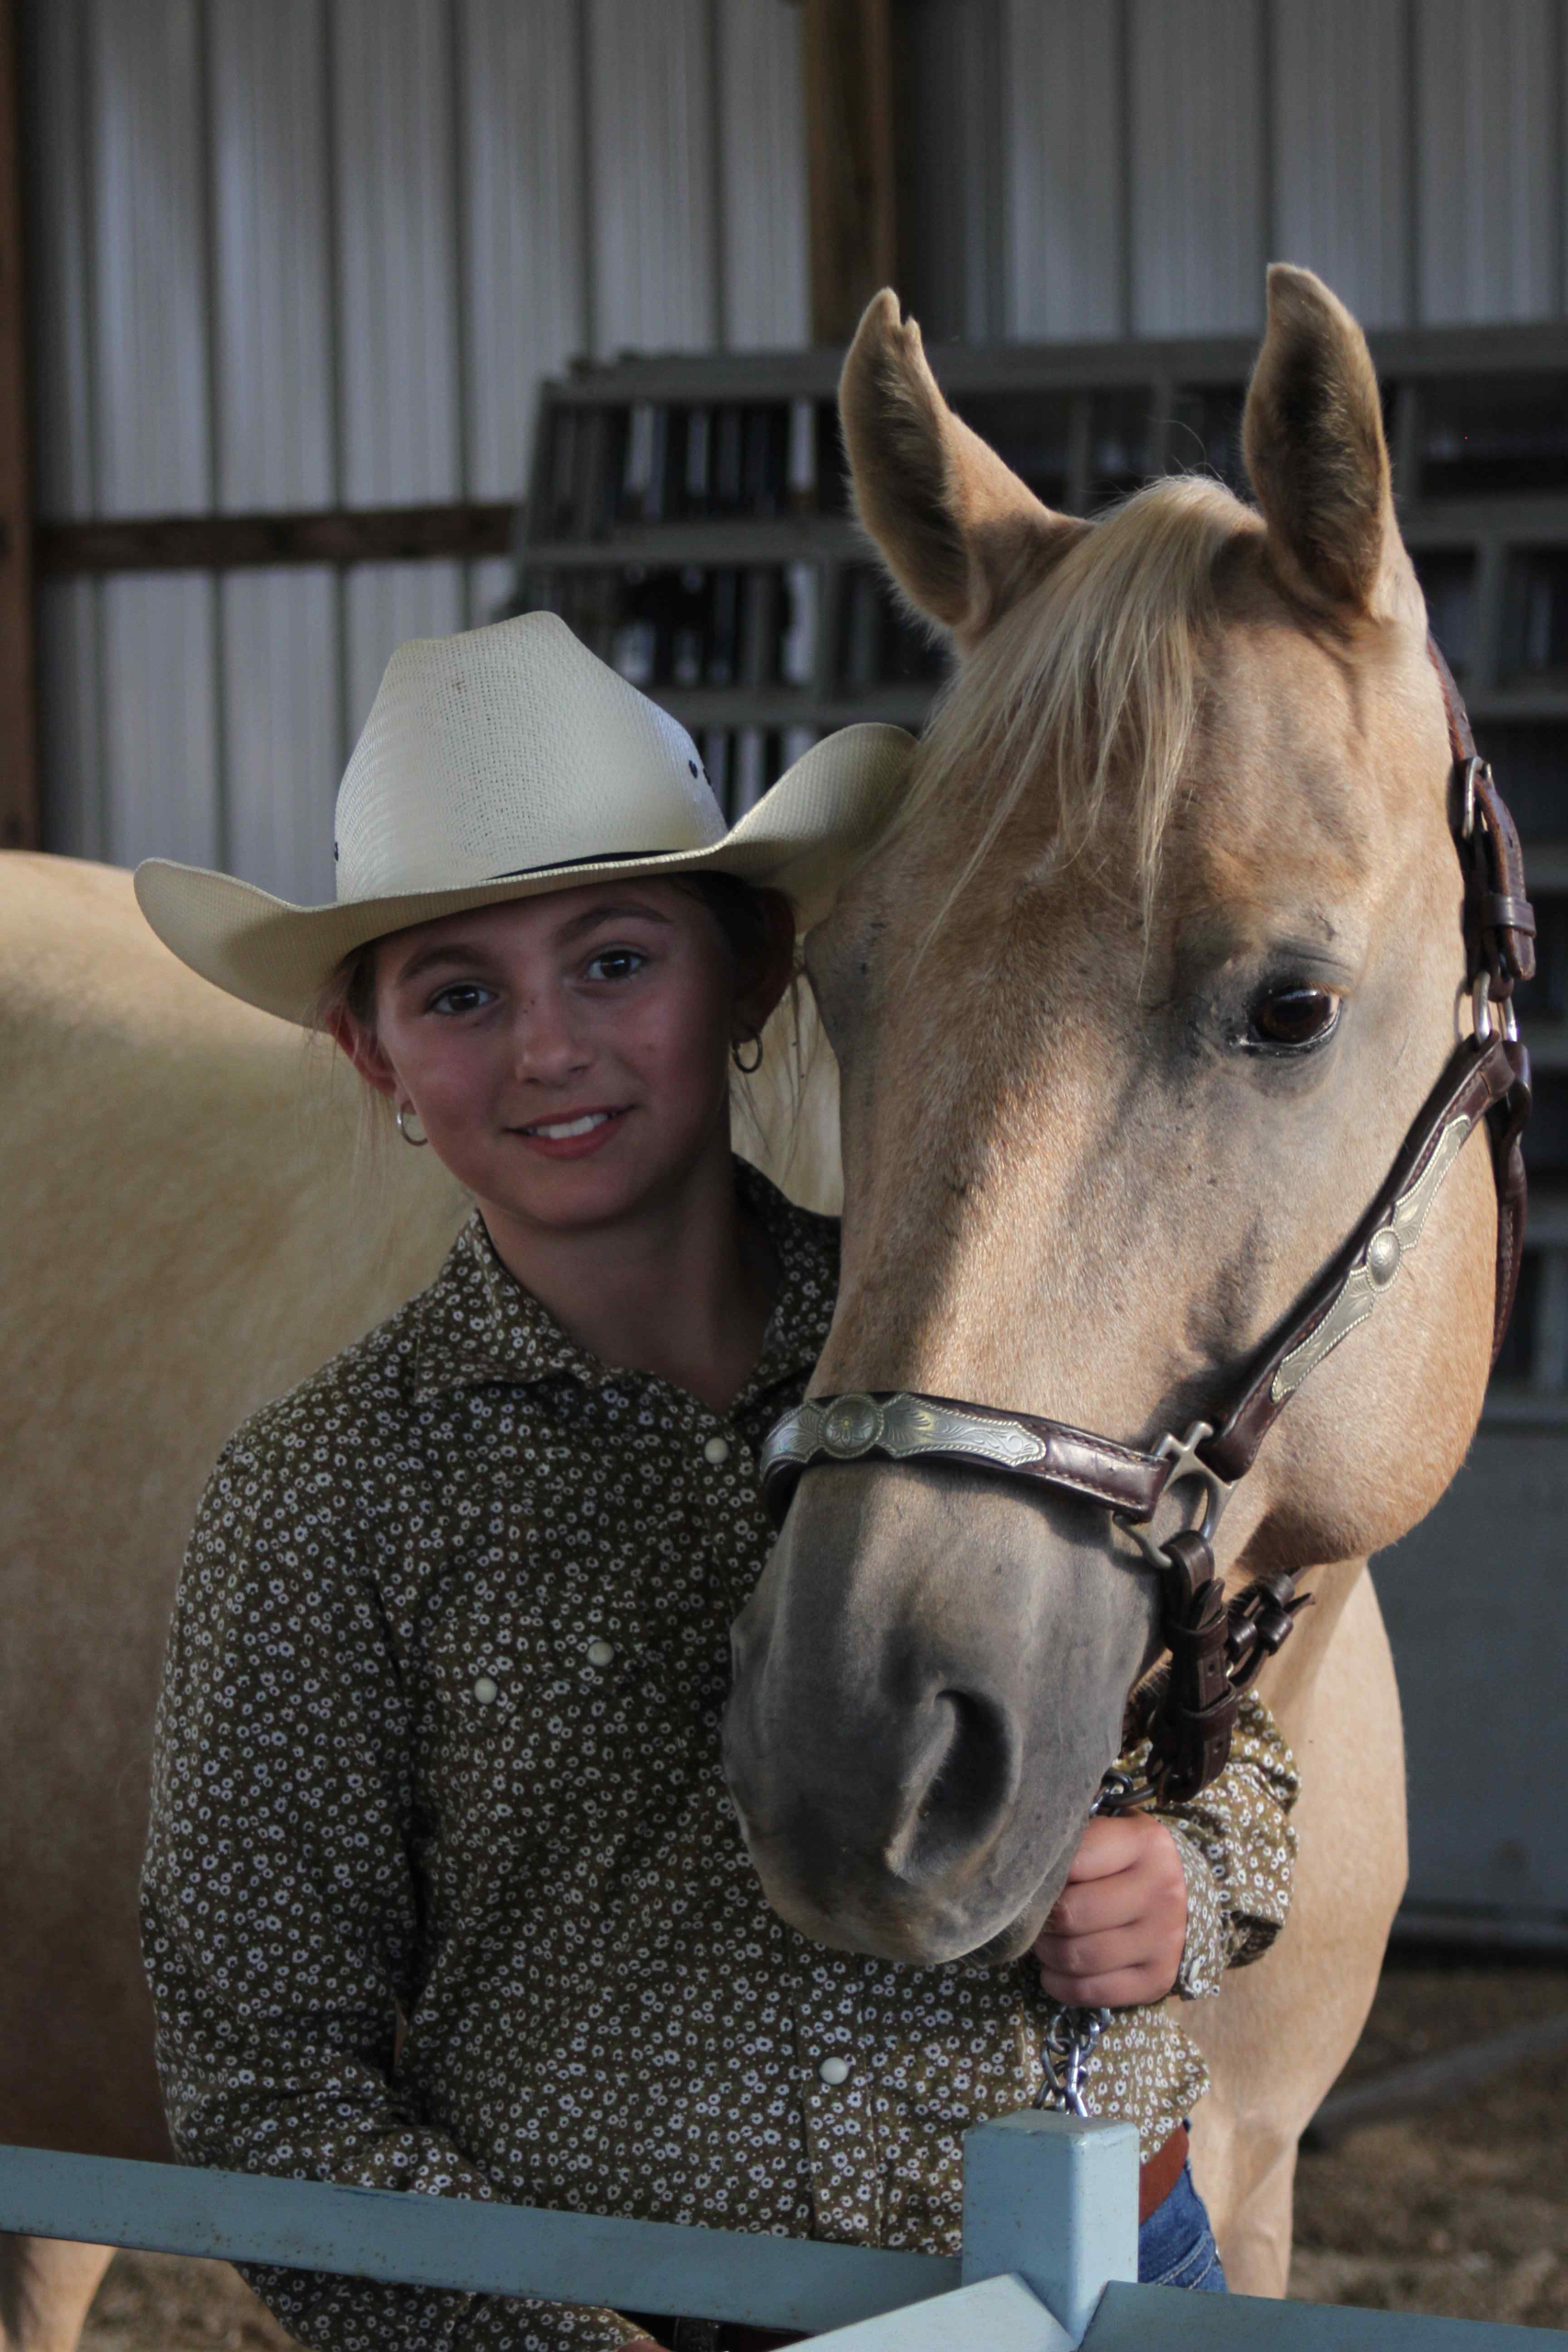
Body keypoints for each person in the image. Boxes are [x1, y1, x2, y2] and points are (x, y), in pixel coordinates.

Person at [137, 613, 1297, 2352]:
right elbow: (259, 2077)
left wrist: (1188, 1879)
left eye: (615, 961)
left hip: (1099, 2282)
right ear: (375, 1056)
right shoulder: (330, 1498)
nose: (546, 1047)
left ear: (752, 969)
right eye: (459, 994)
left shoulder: (992, 1370)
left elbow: (1239, 1756)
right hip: (634, 2334)